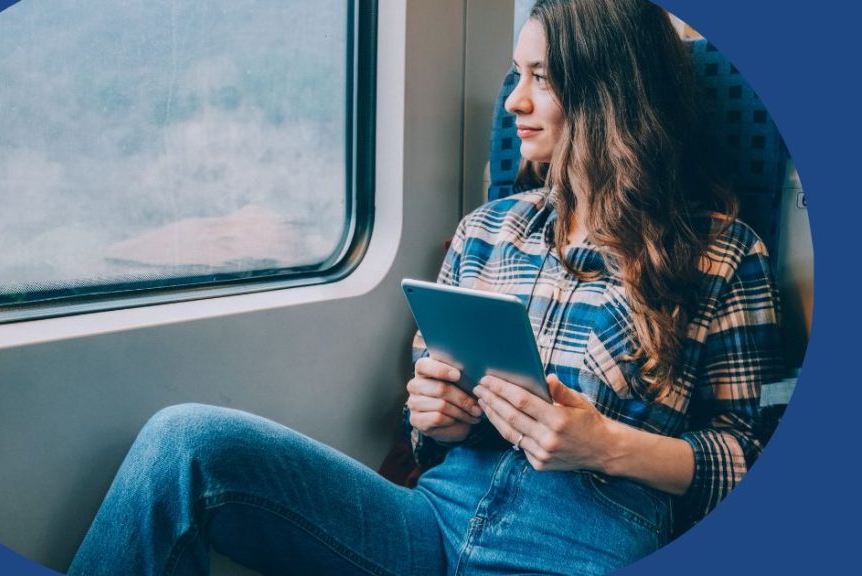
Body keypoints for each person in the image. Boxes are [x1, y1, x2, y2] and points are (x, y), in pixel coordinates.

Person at [68, 0, 783, 574]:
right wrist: (431, 414)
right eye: (515, 75)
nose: (514, 103)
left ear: (606, 92)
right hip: (430, 521)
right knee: (185, 443)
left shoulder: (723, 255)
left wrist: (603, 445)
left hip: (584, 543)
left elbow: (742, 460)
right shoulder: (485, 232)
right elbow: (428, 422)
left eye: (541, 77)